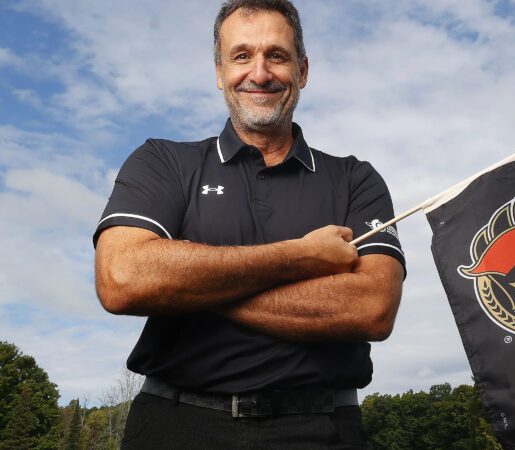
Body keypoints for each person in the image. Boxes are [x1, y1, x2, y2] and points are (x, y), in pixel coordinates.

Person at [93, 1, 405, 448]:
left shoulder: (356, 178)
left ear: (302, 71)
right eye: (241, 56)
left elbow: (372, 307)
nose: (259, 73)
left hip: (323, 429)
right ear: (220, 72)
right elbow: (123, 278)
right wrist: (301, 256)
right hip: (175, 425)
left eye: (277, 56)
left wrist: (186, 282)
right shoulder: (163, 161)